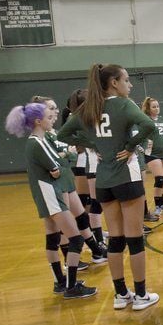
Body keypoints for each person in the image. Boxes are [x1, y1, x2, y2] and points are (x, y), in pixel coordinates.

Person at [58, 63, 159, 311]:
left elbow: (63, 134)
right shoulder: (125, 105)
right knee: (134, 240)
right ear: (114, 82)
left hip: (103, 182)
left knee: (115, 239)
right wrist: (132, 145)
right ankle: (142, 295)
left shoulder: (88, 108)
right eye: (126, 80)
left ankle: (120, 294)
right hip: (126, 177)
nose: (130, 84)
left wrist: (93, 144)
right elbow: (150, 126)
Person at [5, 102, 97, 300]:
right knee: (75, 238)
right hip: (49, 194)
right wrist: (68, 156)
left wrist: (64, 159)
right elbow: (58, 166)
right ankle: (71, 286)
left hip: (46, 193)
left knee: (53, 238)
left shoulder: (40, 140)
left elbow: (59, 162)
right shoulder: (36, 143)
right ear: (38, 121)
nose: (52, 120)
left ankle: (60, 282)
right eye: (48, 117)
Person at [32, 95, 108, 265]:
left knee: (81, 217)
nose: (56, 111)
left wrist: (68, 154)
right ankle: (69, 259)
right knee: (62, 227)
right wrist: (67, 154)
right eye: (51, 108)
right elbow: (54, 161)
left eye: (55, 107)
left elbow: (71, 154)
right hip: (57, 185)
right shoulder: (42, 137)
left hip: (67, 180)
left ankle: (96, 250)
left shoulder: (55, 133)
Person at [141, 96, 163, 217]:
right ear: (148, 109)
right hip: (152, 154)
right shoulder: (145, 120)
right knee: (159, 178)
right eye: (154, 106)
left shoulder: (162, 119)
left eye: (158, 106)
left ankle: (162, 203)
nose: (156, 108)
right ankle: (157, 205)